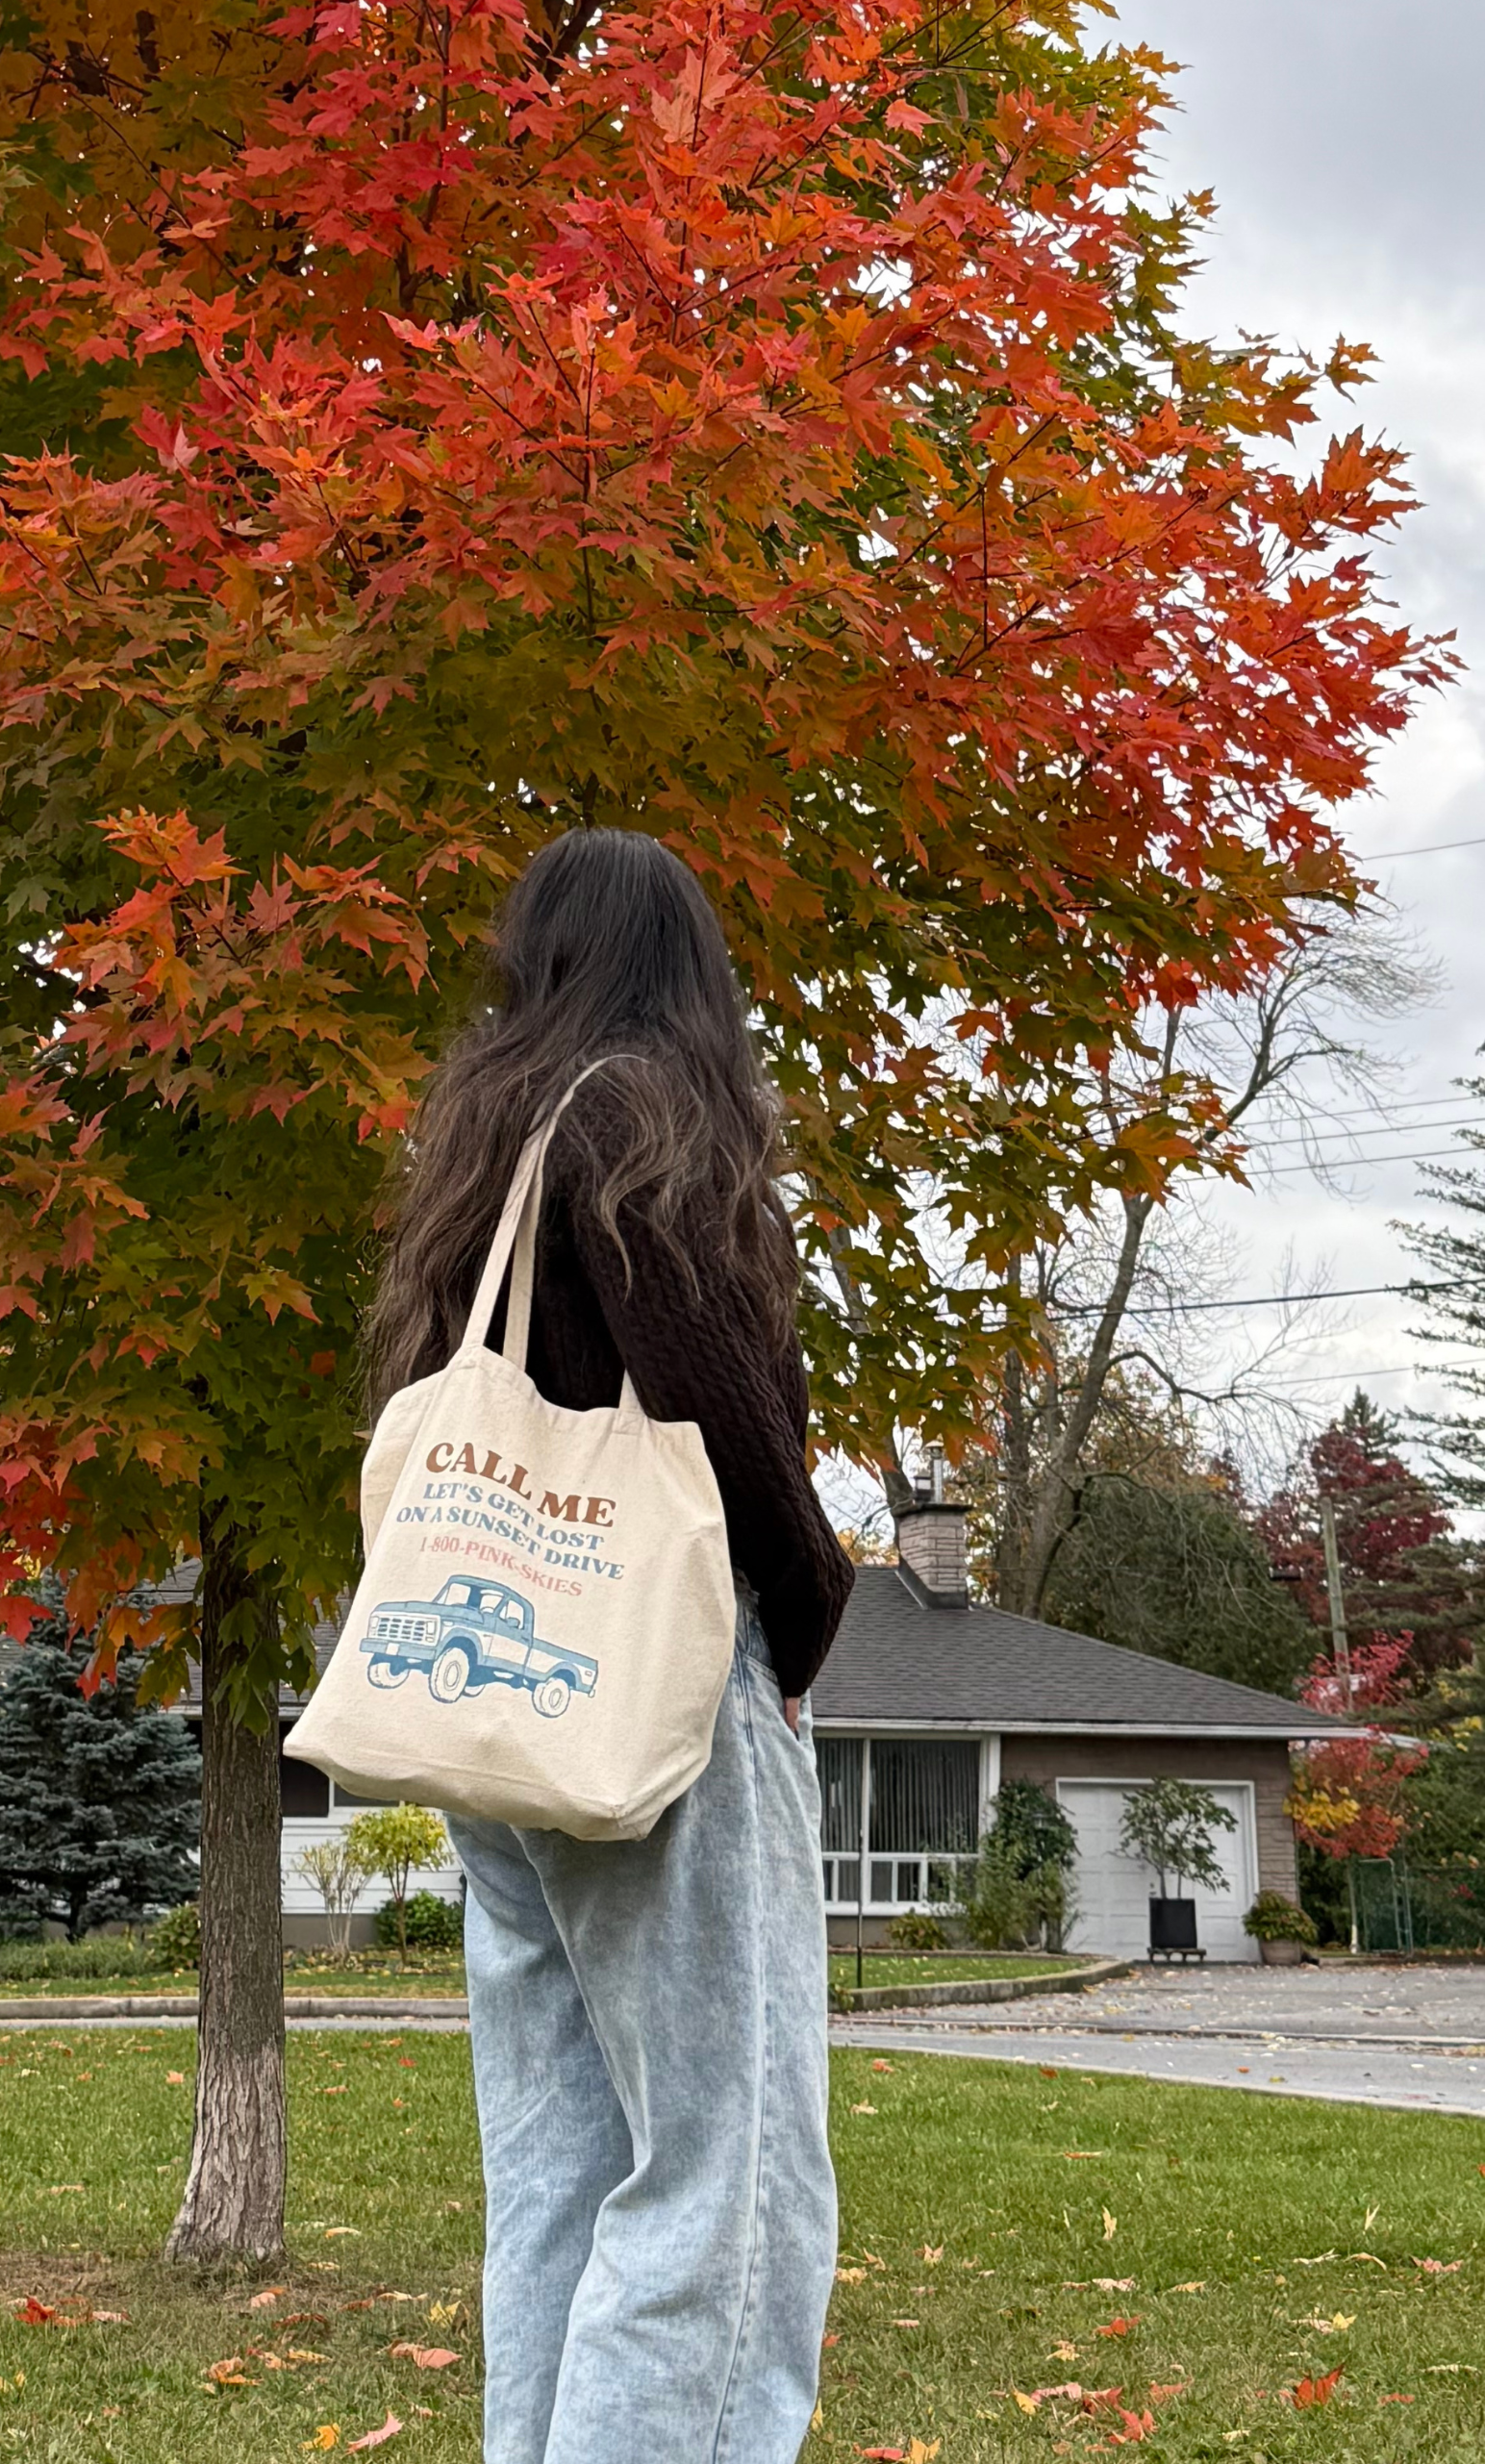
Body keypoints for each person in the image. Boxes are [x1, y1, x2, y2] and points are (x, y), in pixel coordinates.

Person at [367, 826, 856, 2463]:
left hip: (501, 1707)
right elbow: (717, 1412)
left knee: (562, 2181)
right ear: (688, 967)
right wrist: (809, 1621)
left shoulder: (478, 1155)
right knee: (729, 2185)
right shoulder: (642, 1118)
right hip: (655, 1700)